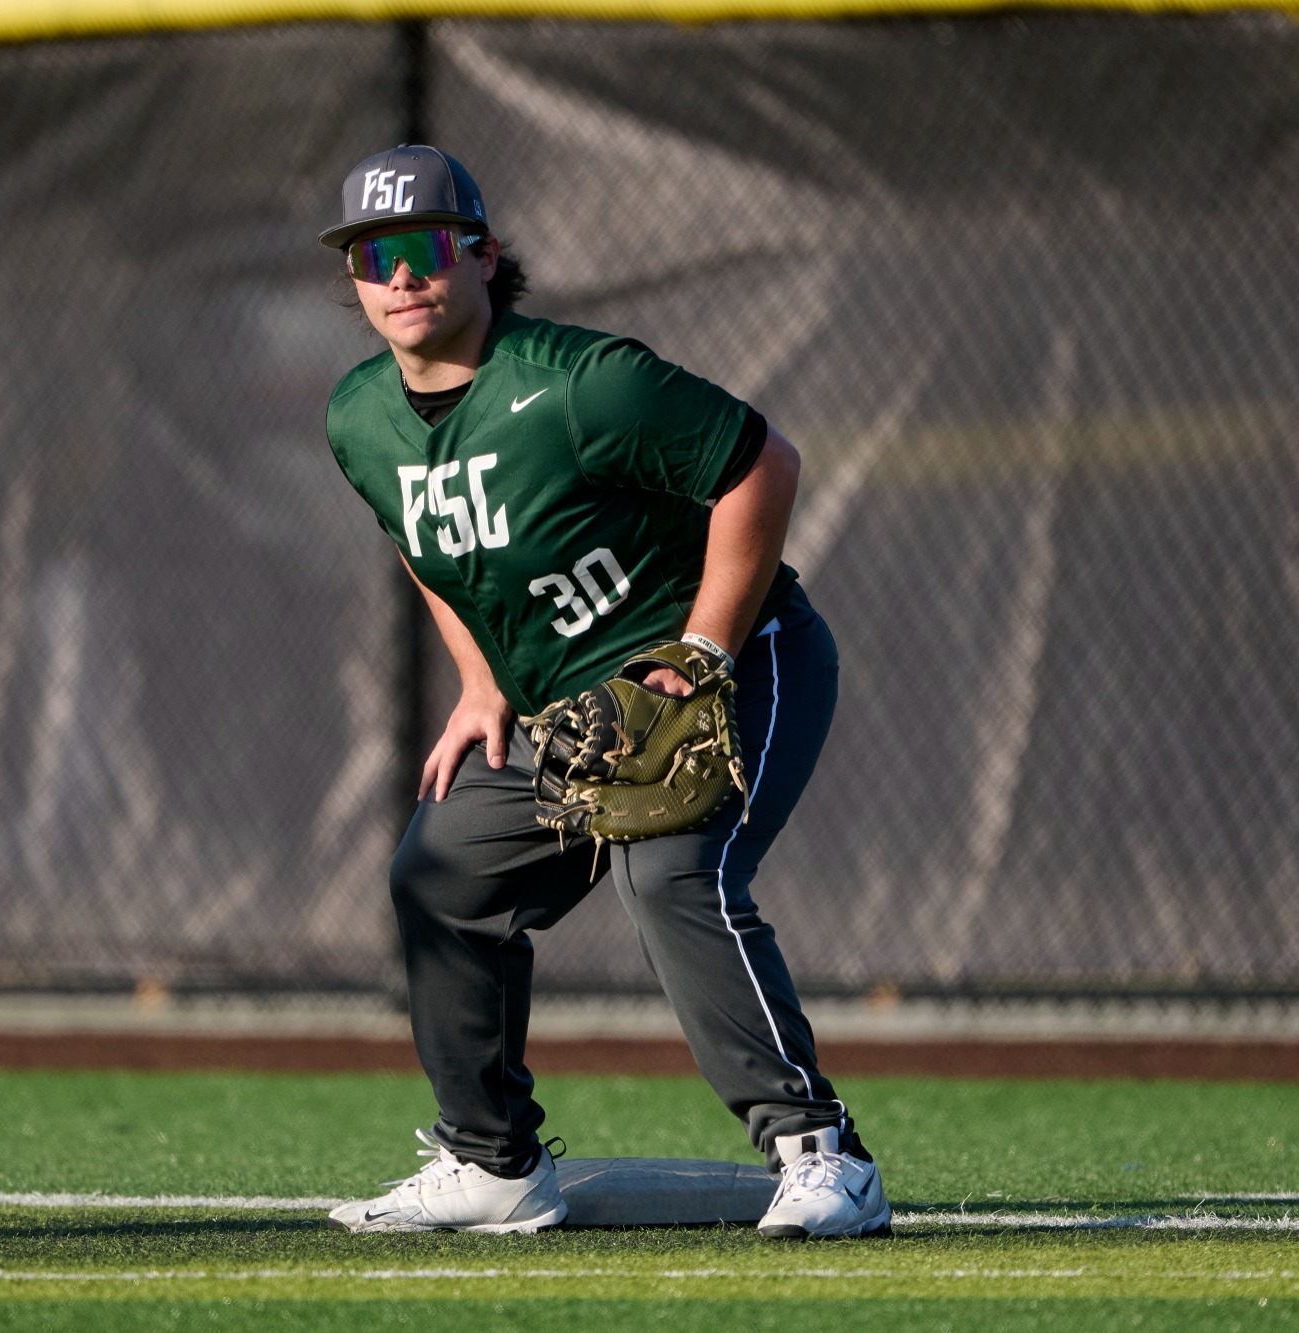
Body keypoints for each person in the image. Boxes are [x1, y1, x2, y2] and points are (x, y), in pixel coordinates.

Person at [318, 144, 889, 1240]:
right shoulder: (358, 418)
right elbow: (422, 541)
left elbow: (760, 465)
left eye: (426, 247)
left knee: (672, 871)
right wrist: (480, 680)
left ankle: (823, 1155)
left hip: (735, 667)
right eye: (370, 254)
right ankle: (491, 1164)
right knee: (438, 880)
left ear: (482, 254)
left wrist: (706, 651)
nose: (398, 276)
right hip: (561, 722)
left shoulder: (581, 383)